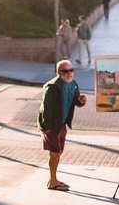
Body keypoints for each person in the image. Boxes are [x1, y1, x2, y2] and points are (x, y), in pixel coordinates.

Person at [37, 60, 87, 191]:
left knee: (59, 152)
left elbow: (76, 101)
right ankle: (52, 181)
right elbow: (46, 109)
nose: (69, 74)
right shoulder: (52, 87)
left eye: (71, 70)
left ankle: (53, 179)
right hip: (51, 125)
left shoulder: (73, 85)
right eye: (65, 71)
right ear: (58, 72)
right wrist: (47, 129)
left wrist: (81, 101)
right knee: (55, 153)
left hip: (61, 124)